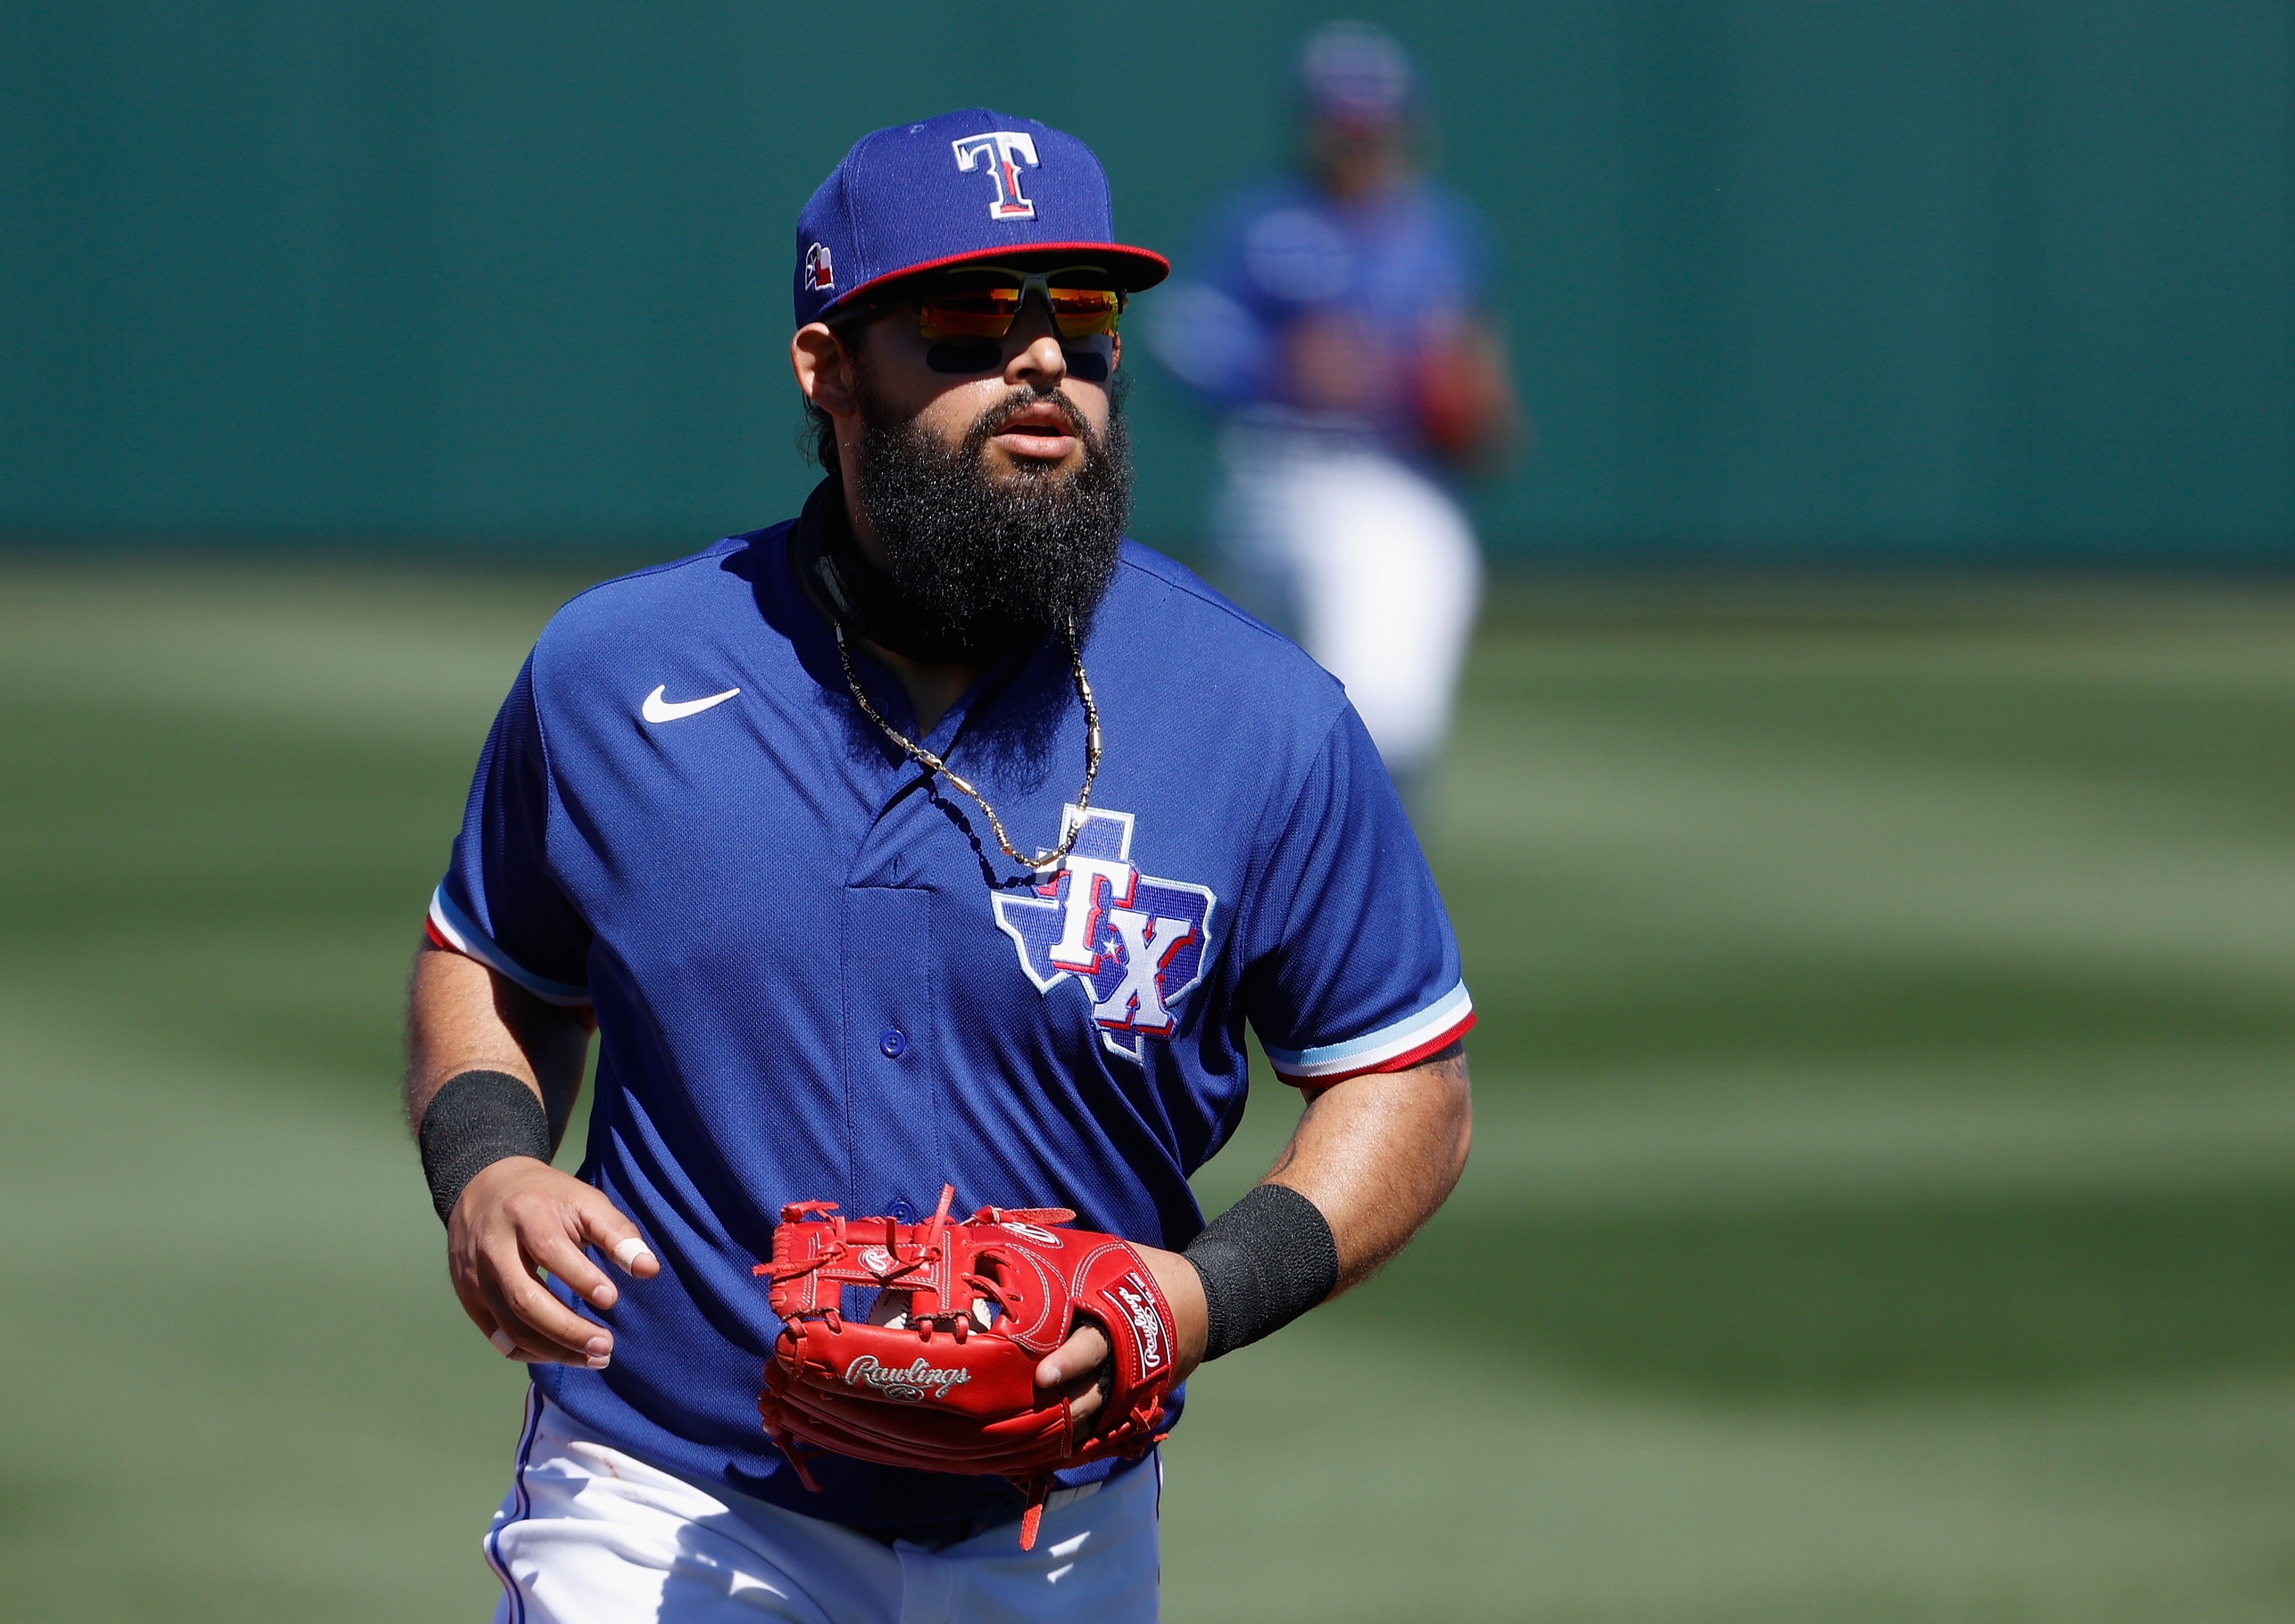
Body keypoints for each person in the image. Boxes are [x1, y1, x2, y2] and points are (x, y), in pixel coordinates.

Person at [404, 109, 1473, 1624]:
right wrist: (489, 1162)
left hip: (1065, 1535)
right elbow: (491, 960)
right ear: (826, 367)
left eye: (1083, 320)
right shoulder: (617, 672)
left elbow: (1404, 1081)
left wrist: (1200, 1294)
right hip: (667, 1505)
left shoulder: (1265, 718)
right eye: (971, 318)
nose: (1042, 363)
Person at [1152, 21, 1521, 808]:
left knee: (1384, 724)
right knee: (1259, 730)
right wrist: (1277, 367)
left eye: (1373, 122)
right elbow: (1178, 341)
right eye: (1341, 120)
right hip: (1270, 478)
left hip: (1392, 488)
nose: (1357, 138)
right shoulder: (1261, 221)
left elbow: (1482, 392)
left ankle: (1361, 907)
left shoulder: (1444, 236)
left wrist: (1474, 413)